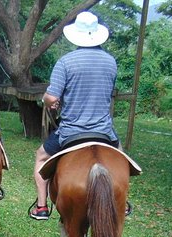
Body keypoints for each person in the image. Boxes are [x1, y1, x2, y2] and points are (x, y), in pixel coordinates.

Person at [29, 11, 119, 220]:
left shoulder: (66, 62)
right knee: (121, 159)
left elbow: (51, 98)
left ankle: (41, 206)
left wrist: (49, 100)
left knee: (41, 156)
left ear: (75, 35)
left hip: (71, 131)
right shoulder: (110, 62)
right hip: (104, 131)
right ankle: (121, 201)